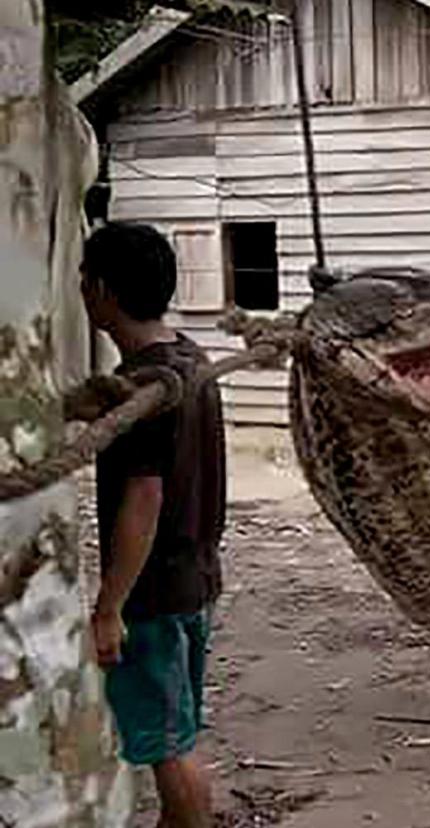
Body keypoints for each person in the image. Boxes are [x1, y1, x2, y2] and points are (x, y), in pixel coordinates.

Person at [80, 222, 224, 828]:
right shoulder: (191, 361)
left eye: (84, 278)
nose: (81, 290)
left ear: (104, 289)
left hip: (155, 594)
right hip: (196, 578)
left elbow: (144, 496)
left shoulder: (148, 387)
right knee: (178, 729)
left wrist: (109, 605)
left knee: (170, 746)